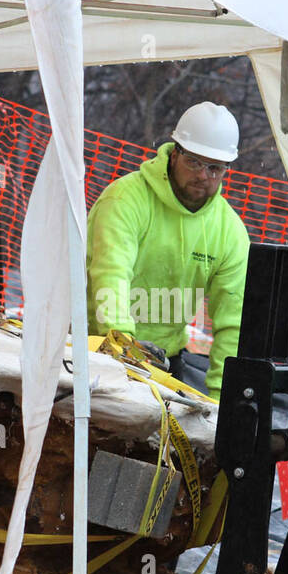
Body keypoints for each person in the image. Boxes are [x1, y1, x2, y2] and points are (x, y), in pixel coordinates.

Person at [86, 102, 250, 399]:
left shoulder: (230, 232)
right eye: (195, 163)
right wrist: (122, 348)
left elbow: (233, 324)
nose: (203, 176)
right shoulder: (125, 200)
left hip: (166, 362)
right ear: (175, 154)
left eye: (215, 168)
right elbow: (111, 275)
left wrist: (221, 401)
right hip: (95, 352)